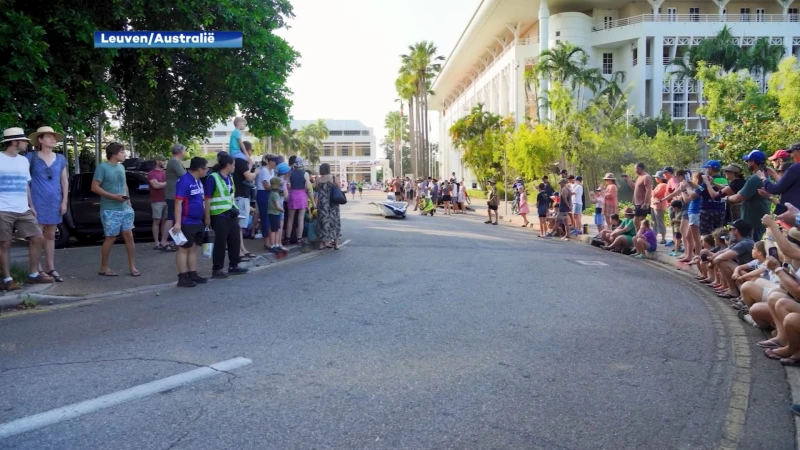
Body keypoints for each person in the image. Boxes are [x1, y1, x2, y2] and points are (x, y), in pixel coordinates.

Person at [0, 128, 52, 290]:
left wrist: (31, 206)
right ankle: (8, 279)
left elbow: (26, 185)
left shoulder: (23, 161)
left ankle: (33, 275)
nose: (26, 144)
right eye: (23, 141)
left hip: (23, 209)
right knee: (4, 244)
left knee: (38, 238)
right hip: (3, 208)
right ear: (15, 142)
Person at [26, 126, 68, 282]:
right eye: (49, 136)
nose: (53, 139)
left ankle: (51, 268)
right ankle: (37, 269)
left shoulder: (61, 159)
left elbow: (64, 181)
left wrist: (64, 201)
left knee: (50, 235)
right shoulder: (31, 157)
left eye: (54, 137)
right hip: (37, 200)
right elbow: (25, 181)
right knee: (37, 237)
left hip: (54, 201)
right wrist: (29, 203)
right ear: (40, 139)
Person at [92, 142, 139, 277]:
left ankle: (132, 266)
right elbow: (94, 187)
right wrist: (113, 197)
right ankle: (104, 267)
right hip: (110, 209)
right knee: (111, 237)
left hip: (124, 208)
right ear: (114, 154)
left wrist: (129, 203)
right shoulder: (103, 167)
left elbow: (125, 186)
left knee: (129, 236)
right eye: (122, 151)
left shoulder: (121, 167)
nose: (125, 154)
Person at [204, 153, 248, 278]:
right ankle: (217, 269)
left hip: (231, 214)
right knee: (220, 243)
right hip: (218, 215)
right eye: (233, 165)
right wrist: (207, 217)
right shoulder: (213, 178)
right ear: (228, 165)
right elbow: (207, 199)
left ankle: (234, 265)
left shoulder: (230, 177)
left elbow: (230, 197)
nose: (234, 167)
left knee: (235, 240)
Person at [172, 157, 209, 287]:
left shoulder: (198, 181)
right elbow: (178, 202)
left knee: (193, 248)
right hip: (185, 221)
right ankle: (182, 277)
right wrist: (177, 223)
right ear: (199, 169)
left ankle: (192, 273)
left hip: (197, 221)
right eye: (205, 168)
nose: (207, 170)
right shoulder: (184, 181)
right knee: (183, 249)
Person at [725, 150, 771, 241]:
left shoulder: (755, 178)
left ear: (753, 162)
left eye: (747, 161)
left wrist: (728, 198)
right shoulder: (765, 175)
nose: (746, 163)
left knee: (752, 245)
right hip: (759, 216)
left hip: (753, 219)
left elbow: (740, 196)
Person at [712, 220, 755, 299]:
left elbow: (719, 258)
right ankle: (733, 289)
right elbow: (721, 252)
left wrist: (712, 261)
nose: (729, 232)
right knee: (723, 261)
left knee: (723, 262)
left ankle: (734, 291)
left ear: (736, 231)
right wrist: (709, 256)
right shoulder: (738, 242)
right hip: (744, 271)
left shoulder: (745, 243)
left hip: (751, 274)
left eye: (730, 229)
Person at [758, 142, 800, 215]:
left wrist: (763, 178)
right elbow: (788, 185)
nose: (791, 155)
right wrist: (774, 173)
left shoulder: (795, 168)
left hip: (794, 214)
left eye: (792, 152)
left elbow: (776, 189)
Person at [232, 145, 256, 260]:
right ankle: (239, 251)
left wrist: (250, 164)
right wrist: (256, 172)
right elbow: (249, 177)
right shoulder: (240, 161)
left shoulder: (242, 162)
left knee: (241, 226)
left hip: (243, 196)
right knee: (239, 226)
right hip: (240, 196)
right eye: (251, 150)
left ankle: (242, 249)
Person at [286, 157, 314, 245]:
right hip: (302, 196)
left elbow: (288, 185)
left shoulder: (290, 173)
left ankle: (287, 238)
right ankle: (299, 239)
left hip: (293, 195)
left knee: (290, 218)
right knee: (300, 218)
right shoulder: (305, 174)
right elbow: (307, 186)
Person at [164, 143, 187, 252]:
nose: (185, 153)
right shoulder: (174, 161)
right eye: (184, 150)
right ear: (180, 151)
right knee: (172, 217)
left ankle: (174, 241)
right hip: (173, 194)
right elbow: (183, 175)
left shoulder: (173, 161)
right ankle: (165, 241)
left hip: (172, 193)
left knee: (172, 217)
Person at [315, 163, 342, 250]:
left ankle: (322, 244)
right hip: (332, 204)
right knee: (334, 222)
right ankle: (336, 244)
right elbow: (339, 187)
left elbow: (313, 188)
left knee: (323, 223)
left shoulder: (318, 180)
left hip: (322, 205)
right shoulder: (333, 178)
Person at [147, 155, 170, 251]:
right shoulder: (151, 173)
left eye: (165, 160)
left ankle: (163, 240)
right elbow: (155, 185)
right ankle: (157, 242)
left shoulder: (166, 173)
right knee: (157, 220)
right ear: (157, 161)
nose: (164, 162)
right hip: (156, 200)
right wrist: (167, 183)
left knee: (165, 221)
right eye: (162, 160)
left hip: (167, 199)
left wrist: (161, 184)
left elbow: (159, 184)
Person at [622, 162, 652, 233]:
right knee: (639, 221)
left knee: (637, 221)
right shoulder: (639, 177)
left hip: (642, 204)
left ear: (638, 168)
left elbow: (648, 191)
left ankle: (640, 237)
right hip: (637, 203)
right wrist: (628, 180)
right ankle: (640, 237)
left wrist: (646, 203)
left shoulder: (646, 177)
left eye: (635, 169)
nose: (634, 171)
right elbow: (634, 188)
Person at [267, 177, 287, 253]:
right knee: (274, 230)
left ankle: (275, 245)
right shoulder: (275, 195)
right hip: (274, 213)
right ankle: (273, 245)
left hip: (273, 213)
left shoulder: (272, 193)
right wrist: (282, 209)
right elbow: (277, 206)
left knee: (275, 230)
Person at [650, 171, 668, 244]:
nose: (655, 179)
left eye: (657, 177)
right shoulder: (659, 185)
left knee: (660, 222)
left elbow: (656, 194)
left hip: (659, 206)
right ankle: (655, 236)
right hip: (654, 205)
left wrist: (650, 190)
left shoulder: (662, 185)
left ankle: (663, 238)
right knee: (654, 222)